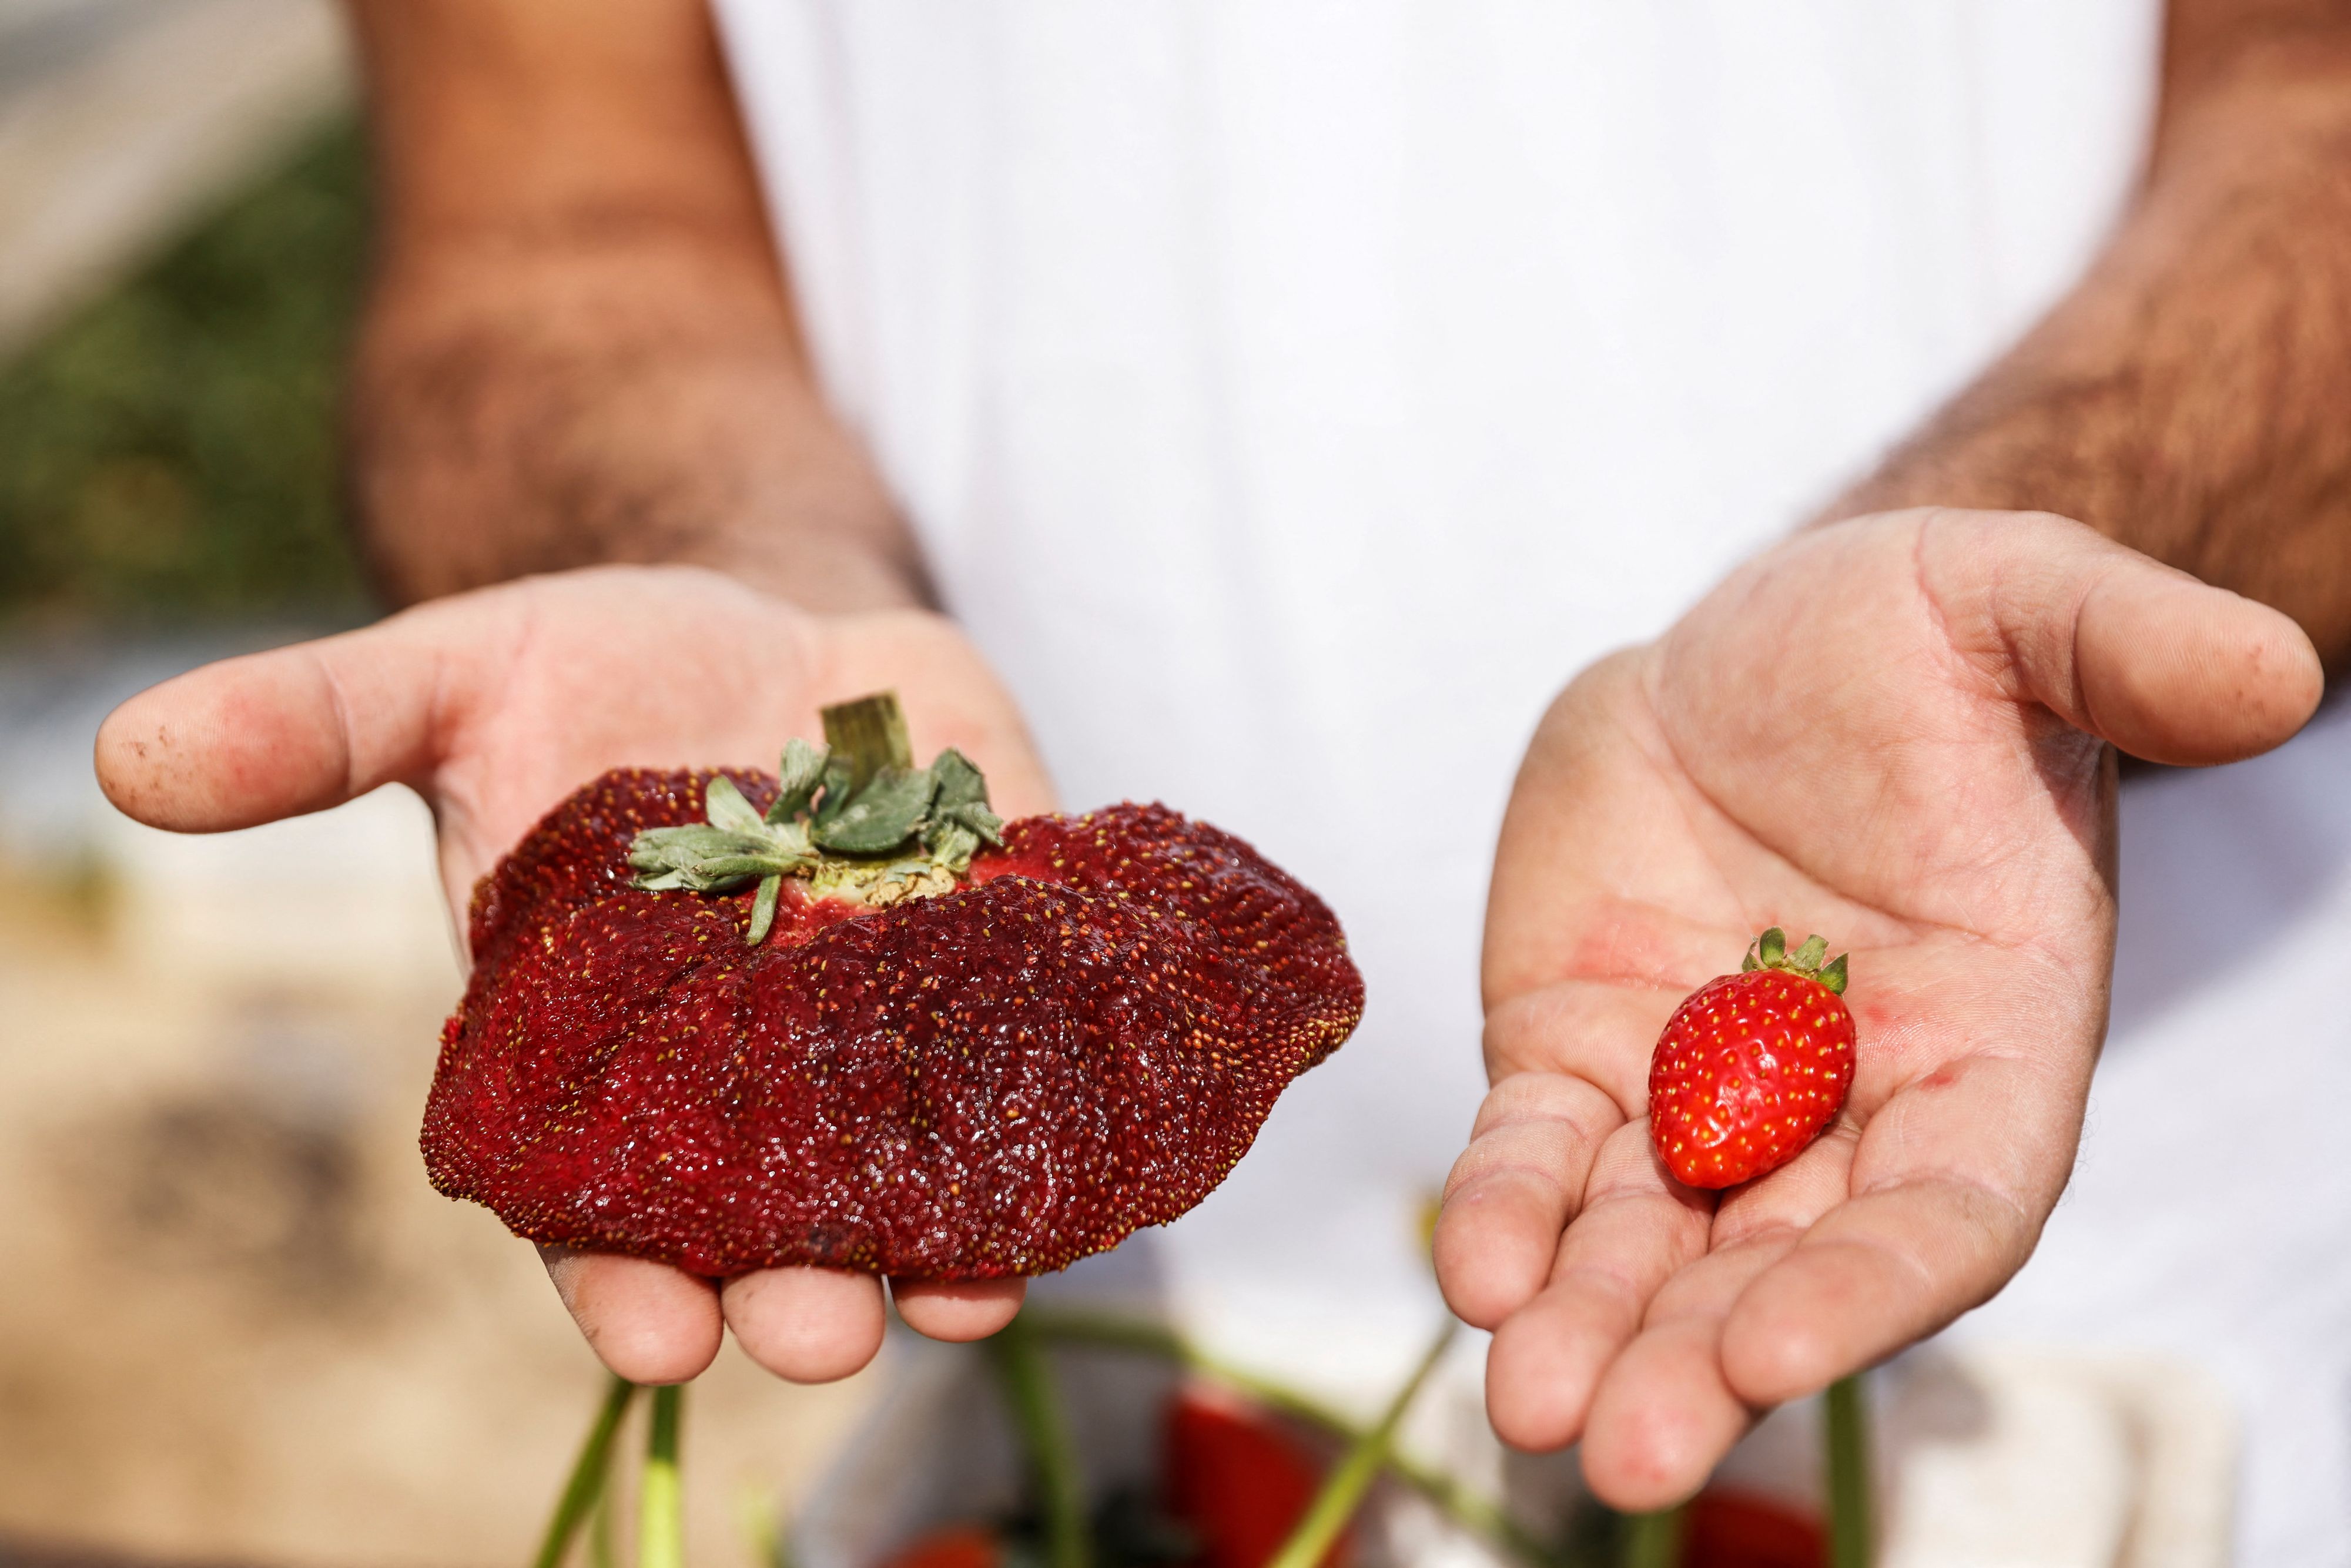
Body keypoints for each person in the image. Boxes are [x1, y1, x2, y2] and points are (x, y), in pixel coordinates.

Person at [94, 0, 2349, 1553]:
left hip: (2080, 1267)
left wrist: (2037, 547)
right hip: (1077, 1359)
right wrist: (716, 572)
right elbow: (559, 224)